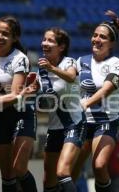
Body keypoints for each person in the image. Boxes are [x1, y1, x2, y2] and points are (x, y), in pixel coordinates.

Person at [0, 16, 37, 192]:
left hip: (21, 114)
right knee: (7, 174)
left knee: (18, 168)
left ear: (15, 38)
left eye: (5, 34)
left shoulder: (20, 59)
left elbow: (15, 95)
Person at [73, 10, 119, 192]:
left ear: (111, 43)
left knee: (99, 165)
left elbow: (106, 88)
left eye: (102, 37)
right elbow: (66, 79)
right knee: (70, 172)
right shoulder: (81, 61)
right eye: (95, 35)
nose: (96, 39)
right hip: (81, 123)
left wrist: (86, 104)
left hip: (105, 122)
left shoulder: (117, 64)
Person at [37, 27, 86, 192]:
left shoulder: (68, 62)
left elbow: (71, 77)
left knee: (62, 173)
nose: (45, 43)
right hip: (54, 128)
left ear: (61, 47)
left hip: (73, 124)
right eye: (44, 39)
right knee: (48, 182)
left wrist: (52, 68)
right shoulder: (41, 70)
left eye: (50, 40)